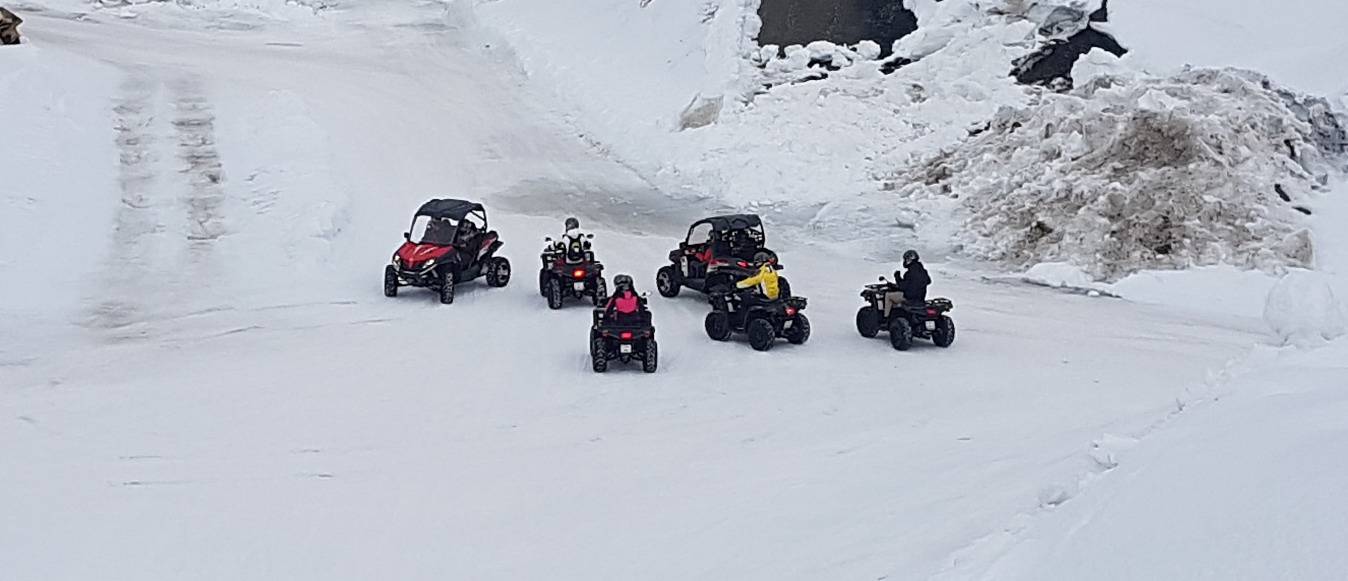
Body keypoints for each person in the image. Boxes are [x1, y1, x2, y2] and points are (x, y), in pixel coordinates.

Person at [884, 249, 931, 318]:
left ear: (908, 260)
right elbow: (928, 281)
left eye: (905, 260)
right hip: (920, 298)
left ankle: (886, 318)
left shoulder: (909, 273)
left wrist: (897, 277)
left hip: (909, 298)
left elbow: (902, 286)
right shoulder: (923, 271)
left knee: (888, 295)